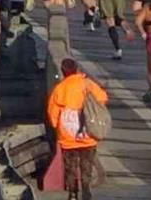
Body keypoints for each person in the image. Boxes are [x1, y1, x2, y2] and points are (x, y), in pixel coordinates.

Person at [46, 58, 108, 200]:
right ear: (77, 69)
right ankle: (86, 188)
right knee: (87, 163)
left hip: (67, 134)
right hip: (88, 133)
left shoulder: (60, 88)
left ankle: (72, 193)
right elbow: (103, 98)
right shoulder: (88, 84)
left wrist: (57, 127)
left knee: (70, 165)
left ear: (63, 71)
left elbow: (52, 112)